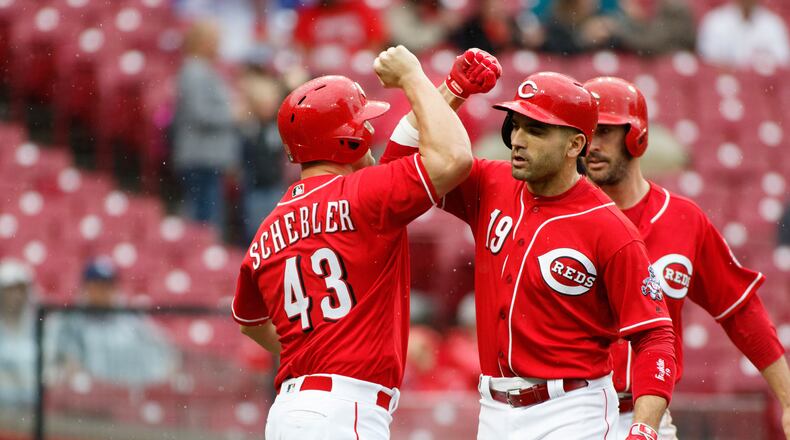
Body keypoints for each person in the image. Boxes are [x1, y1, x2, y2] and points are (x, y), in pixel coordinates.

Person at [382, 70, 677, 438]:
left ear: (574, 146)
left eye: (536, 130)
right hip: (493, 411)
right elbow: (395, 172)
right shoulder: (489, 184)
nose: (518, 140)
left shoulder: (610, 228)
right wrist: (452, 90)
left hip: (572, 411)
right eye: (515, 126)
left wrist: (644, 428)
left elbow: (655, 337)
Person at [231, 45, 500, 439]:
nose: (371, 132)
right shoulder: (362, 196)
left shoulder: (268, 227)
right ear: (348, 141)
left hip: (290, 411)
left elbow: (251, 324)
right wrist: (412, 77)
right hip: (344, 411)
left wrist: (453, 89)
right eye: (363, 124)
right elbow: (453, 158)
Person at [582, 76, 790, 440]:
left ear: (636, 136)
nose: (592, 146)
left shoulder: (683, 219)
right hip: (570, 411)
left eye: (605, 132)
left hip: (648, 415)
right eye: (586, 134)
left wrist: (788, 399)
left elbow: (740, 311)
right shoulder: (560, 216)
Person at [50, 257, 179, 387]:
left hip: (129, 391)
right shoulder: (71, 322)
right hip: (89, 398)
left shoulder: (131, 319)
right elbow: (67, 366)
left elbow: (165, 355)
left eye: (107, 286)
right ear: (86, 287)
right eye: (97, 286)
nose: (102, 292)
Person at [172, 20, 241, 232]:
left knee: (207, 217)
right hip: (200, 157)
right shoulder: (194, 70)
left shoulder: (204, 69)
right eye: (214, 41)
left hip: (207, 157)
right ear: (202, 42)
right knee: (203, 222)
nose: (218, 46)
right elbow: (200, 114)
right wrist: (232, 114)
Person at [697, 0, 790, 68]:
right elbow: (707, 61)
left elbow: (783, 61)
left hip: (761, 85)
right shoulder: (715, 21)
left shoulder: (773, 24)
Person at [0, 259, 37, 408]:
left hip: (32, 409)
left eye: (20, 290)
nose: (16, 296)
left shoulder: (39, 328)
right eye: (10, 289)